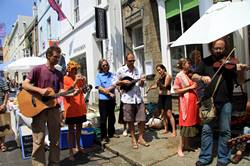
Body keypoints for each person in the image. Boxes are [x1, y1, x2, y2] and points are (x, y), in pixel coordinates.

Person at [192, 38, 248, 166]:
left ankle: (223, 158)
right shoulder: (205, 62)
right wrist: (202, 77)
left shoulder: (231, 62)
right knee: (206, 129)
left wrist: (240, 71)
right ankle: (205, 157)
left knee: (225, 130)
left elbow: (240, 82)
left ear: (225, 48)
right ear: (211, 48)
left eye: (221, 48)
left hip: (226, 101)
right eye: (216, 48)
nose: (219, 51)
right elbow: (193, 76)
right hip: (208, 101)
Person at [22, 46, 64, 166]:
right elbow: (25, 84)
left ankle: (54, 163)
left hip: (54, 109)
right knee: (38, 140)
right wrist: (40, 90)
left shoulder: (59, 74)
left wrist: (71, 92)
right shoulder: (37, 70)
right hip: (38, 110)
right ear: (48, 56)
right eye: (55, 57)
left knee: (55, 140)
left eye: (59, 57)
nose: (57, 59)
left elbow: (61, 91)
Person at [114, 53, 149, 149]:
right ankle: (133, 138)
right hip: (127, 98)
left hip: (138, 98)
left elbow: (143, 84)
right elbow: (114, 82)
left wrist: (142, 82)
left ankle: (141, 137)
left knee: (142, 119)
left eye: (133, 60)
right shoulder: (121, 70)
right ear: (126, 60)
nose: (132, 62)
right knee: (130, 120)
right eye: (130, 61)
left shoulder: (138, 70)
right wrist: (122, 82)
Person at [173, 58, 200, 157]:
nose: (190, 64)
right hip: (186, 103)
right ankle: (180, 148)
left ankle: (187, 145)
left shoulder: (188, 75)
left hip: (193, 103)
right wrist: (190, 87)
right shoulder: (179, 76)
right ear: (183, 65)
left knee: (189, 125)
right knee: (184, 125)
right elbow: (176, 90)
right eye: (188, 63)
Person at [63, 60, 87, 161]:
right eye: (73, 69)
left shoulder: (78, 78)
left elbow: (84, 90)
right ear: (68, 69)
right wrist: (76, 81)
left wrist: (84, 82)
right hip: (71, 108)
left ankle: (78, 146)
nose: (75, 71)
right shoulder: (65, 79)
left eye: (76, 69)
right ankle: (70, 152)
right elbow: (66, 92)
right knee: (71, 131)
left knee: (79, 129)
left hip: (80, 107)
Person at [146, 64, 176, 136]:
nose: (159, 71)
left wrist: (159, 83)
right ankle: (166, 129)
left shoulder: (168, 76)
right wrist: (149, 88)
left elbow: (165, 86)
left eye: (160, 70)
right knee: (163, 114)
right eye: (158, 70)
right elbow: (156, 86)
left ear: (163, 69)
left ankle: (174, 131)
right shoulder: (160, 77)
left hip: (167, 97)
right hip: (161, 97)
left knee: (169, 114)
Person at [95, 59, 118, 143]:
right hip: (103, 100)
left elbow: (115, 84)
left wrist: (110, 90)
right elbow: (99, 88)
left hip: (111, 100)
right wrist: (109, 93)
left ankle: (111, 133)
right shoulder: (98, 75)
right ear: (101, 66)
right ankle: (104, 136)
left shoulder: (112, 75)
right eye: (103, 65)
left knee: (112, 117)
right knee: (103, 119)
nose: (105, 66)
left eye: (106, 65)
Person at [0, 76, 9, 152]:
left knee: (2, 127)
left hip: (1, 107)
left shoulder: (1, 80)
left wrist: (4, 104)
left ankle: (2, 144)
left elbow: (6, 92)